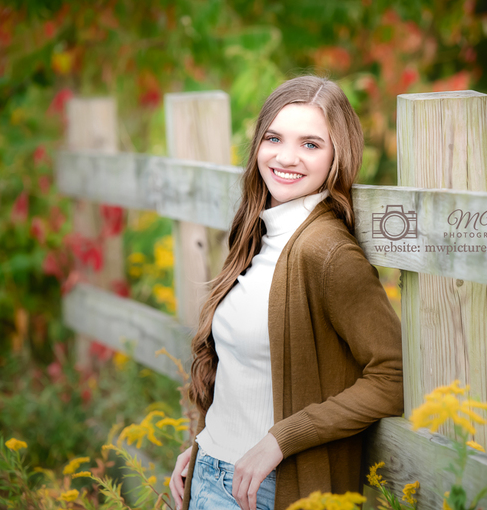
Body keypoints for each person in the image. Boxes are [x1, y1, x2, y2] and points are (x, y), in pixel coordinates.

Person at [169, 75, 403, 510]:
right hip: (207, 474)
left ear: (338, 156)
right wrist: (204, 446)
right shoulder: (254, 233)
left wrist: (280, 439)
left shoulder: (328, 253)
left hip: (269, 491)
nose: (286, 157)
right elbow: (241, 373)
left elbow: (393, 377)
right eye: (274, 138)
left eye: (311, 144)